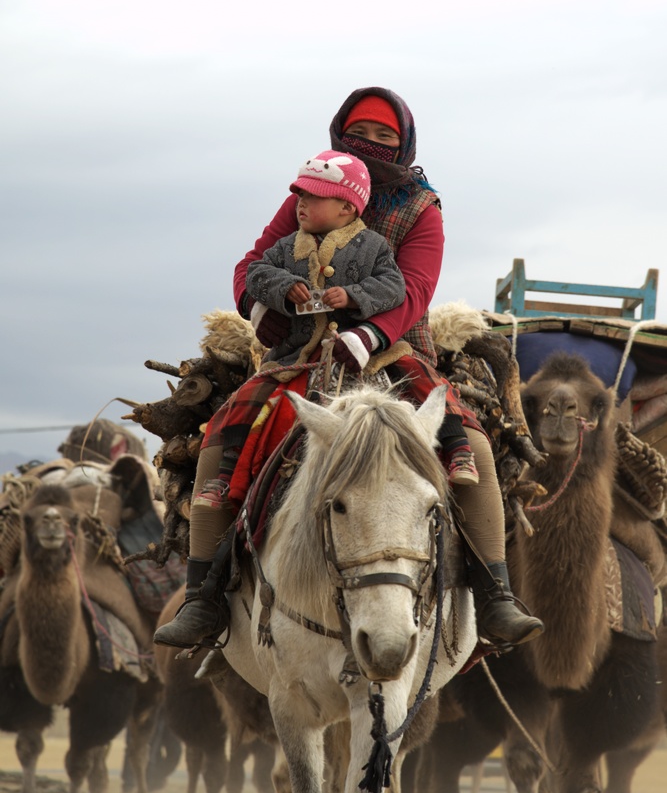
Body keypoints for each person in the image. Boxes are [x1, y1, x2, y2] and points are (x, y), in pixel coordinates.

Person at [154, 88, 543, 652]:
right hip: (299, 352)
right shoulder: (315, 191)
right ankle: (202, 599)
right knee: (222, 436)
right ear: (340, 132)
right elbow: (251, 265)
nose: (372, 142)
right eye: (360, 132)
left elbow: (413, 291)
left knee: (474, 447)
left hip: (392, 350)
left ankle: (493, 595)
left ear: (404, 142)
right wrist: (262, 307)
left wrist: (367, 335)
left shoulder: (421, 209)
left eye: (386, 135)